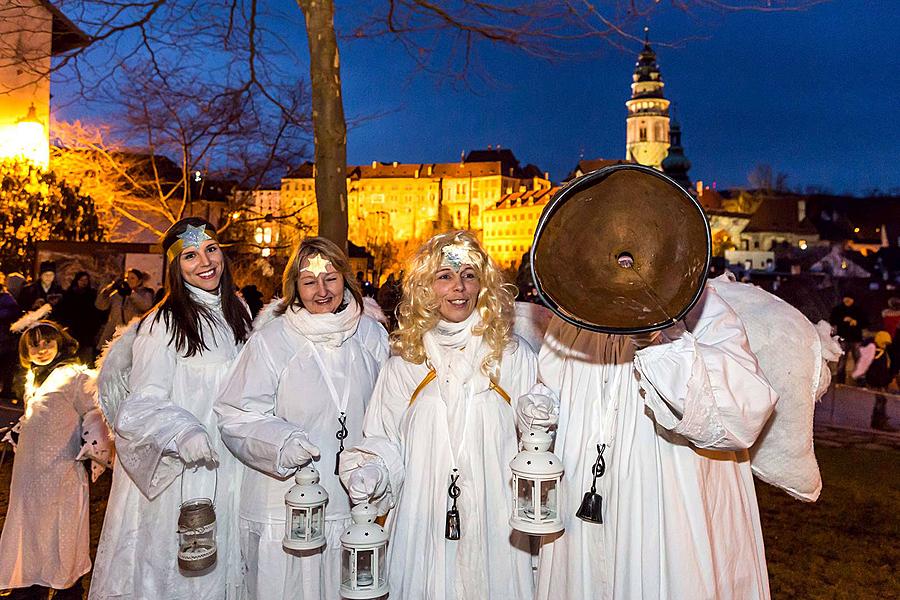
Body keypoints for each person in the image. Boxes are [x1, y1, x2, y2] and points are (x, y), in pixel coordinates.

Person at [526, 284, 779, 600]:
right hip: (583, 499)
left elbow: (740, 417)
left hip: (664, 506)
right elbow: (554, 379)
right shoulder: (579, 309)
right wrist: (541, 405)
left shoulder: (700, 305)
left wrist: (658, 342)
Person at [340, 230, 537, 599]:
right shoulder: (407, 360)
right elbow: (384, 439)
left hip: (494, 518)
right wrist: (370, 471)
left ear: (484, 284)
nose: (458, 288)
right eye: (445, 276)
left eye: (469, 275)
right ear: (426, 287)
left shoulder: (510, 355)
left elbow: (534, 440)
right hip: (424, 515)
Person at [216, 237, 389, 600]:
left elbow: (387, 410)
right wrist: (280, 442)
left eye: (331, 278)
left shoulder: (371, 335)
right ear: (294, 286)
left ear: (347, 279)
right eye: (310, 282)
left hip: (350, 501)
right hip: (286, 504)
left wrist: (378, 463)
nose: (322, 290)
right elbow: (236, 413)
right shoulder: (273, 340)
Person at [88, 218, 252, 600]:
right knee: (183, 576)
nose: (205, 262)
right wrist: (182, 431)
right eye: (191, 256)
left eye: (211, 250)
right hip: (183, 471)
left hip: (232, 467)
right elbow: (140, 405)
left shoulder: (238, 312)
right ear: (176, 268)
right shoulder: (163, 324)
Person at [0, 320, 104, 600]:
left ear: (60, 342)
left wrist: (90, 449)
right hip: (29, 474)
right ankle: (31, 583)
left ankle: (66, 591)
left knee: (62, 532)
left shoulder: (74, 376)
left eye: (47, 342)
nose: (41, 349)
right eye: (34, 344)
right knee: (31, 529)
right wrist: (18, 430)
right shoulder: (34, 377)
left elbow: (95, 413)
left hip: (61, 472)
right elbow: (40, 415)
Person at [95, 268, 155, 349]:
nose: (129, 280)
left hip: (131, 334)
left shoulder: (145, 293)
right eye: (127, 278)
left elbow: (146, 306)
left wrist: (131, 294)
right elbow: (100, 305)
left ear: (139, 281)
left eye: (132, 278)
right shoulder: (118, 294)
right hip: (113, 333)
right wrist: (110, 289)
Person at [57, 272, 103, 365]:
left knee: (86, 358)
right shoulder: (69, 294)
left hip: (87, 331)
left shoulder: (92, 294)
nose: (84, 282)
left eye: (86, 280)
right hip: (72, 330)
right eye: (81, 280)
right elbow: (63, 311)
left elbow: (96, 312)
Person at [0, 281, 21, 400]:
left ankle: (7, 390)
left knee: (7, 366)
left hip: (5, 338)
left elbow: (14, 313)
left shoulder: (7, 299)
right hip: (5, 338)